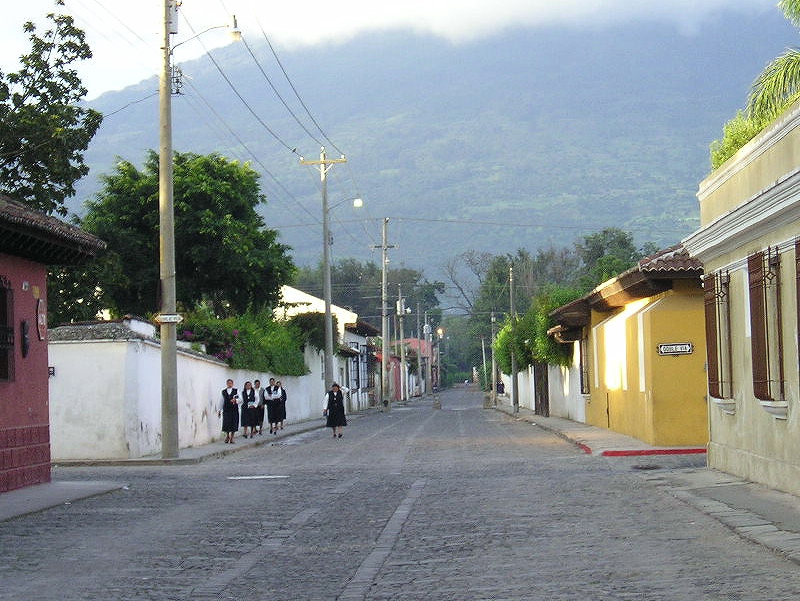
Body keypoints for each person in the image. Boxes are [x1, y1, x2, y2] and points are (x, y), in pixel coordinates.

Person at [218, 379, 240, 444]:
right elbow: (221, 401)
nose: (229, 384)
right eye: (228, 383)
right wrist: (219, 410)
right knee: (226, 423)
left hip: (234, 409)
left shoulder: (236, 391)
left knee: (234, 423)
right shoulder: (223, 391)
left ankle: (232, 438)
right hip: (226, 409)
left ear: (232, 383)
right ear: (227, 384)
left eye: (231, 383)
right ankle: (227, 436)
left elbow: (240, 398)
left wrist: (235, 400)